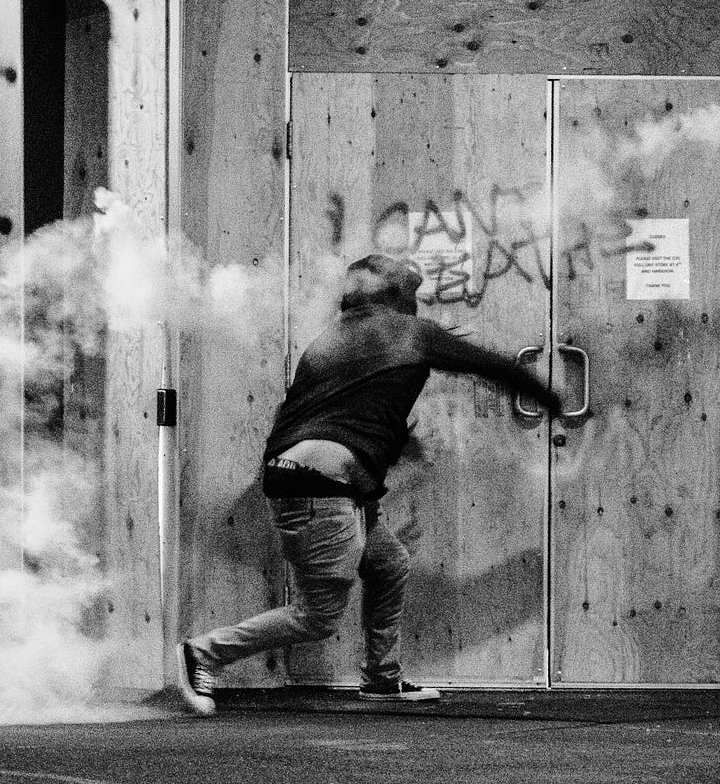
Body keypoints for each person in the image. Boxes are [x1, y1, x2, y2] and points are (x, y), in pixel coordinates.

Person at [175, 253, 563, 716]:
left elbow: (346, 412)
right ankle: (203, 653)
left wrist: (397, 444)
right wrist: (549, 397)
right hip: (319, 486)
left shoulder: (332, 339)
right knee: (316, 615)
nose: (417, 304)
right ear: (395, 297)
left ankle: (382, 678)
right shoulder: (404, 331)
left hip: (331, 483)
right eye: (412, 294)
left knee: (388, 563)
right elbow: (492, 366)